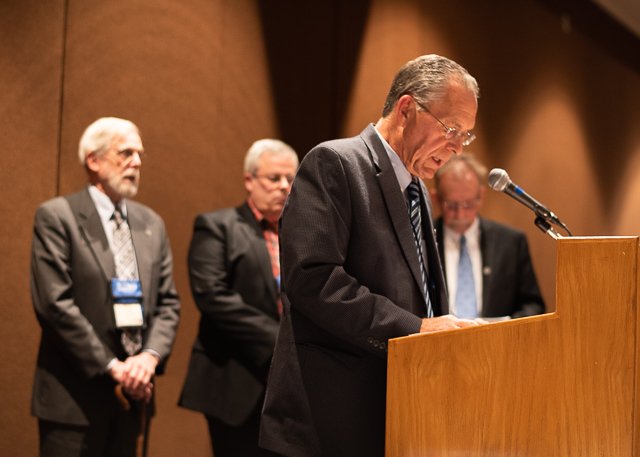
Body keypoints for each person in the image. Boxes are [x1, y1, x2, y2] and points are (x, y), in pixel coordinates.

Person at [259, 54, 482, 457]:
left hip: (397, 410)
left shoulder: (416, 188)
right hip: (330, 420)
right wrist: (415, 328)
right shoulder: (335, 163)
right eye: (451, 129)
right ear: (406, 109)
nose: (455, 147)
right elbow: (313, 280)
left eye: (465, 136)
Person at [30, 117, 181, 457]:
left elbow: (169, 303)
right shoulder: (57, 217)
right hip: (74, 400)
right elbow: (54, 304)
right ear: (93, 160)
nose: (137, 162)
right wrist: (114, 367)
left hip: (133, 397)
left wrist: (148, 358)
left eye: (139, 154)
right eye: (125, 153)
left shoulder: (151, 223)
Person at [179, 139, 298, 457]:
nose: (284, 186)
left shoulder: (302, 235)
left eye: (290, 178)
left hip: (289, 387)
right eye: (274, 178)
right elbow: (212, 295)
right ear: (249, 180)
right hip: (234, 379)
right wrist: (280, 342)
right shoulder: (218, 227)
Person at [431, 153, 545, 319]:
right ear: (436, 199)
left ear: (481, 196)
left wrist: (503, 327)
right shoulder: (422, 240)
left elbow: (533, 306)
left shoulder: (510, 243)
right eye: (451, 205)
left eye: (468, 204)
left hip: (499, 335)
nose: (460, 214)